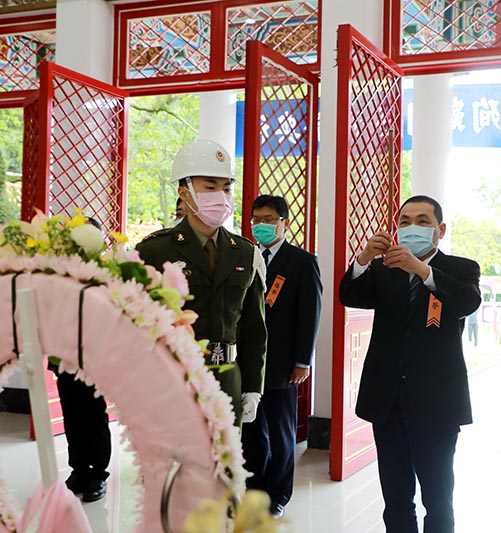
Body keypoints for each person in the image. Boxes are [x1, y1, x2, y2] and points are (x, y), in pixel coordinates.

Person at [339, 195, 481, 533]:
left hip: (436, 404)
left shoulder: (462, 269)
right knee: (396, 498)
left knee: (438, 499)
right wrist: (363, 258)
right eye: (404, 221)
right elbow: (350, 295)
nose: (411, 227)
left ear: (440, 229)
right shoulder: (384, 268)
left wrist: (421, 269)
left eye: (421, 221)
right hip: (387, 400)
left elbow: (465, 302)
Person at [136, 139, 267, 425]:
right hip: (172, 377)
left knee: (224, 466)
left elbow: (254, 327)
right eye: (210, 187)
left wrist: (253, 387)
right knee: (176, 464)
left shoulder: (245, 251)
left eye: (227, 188)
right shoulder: (155, 250)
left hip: (227, 376)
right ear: (185, 192)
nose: (221, 195)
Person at [241, 195, 322, 518]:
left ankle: (278, 494)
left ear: (284, 222)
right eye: (257, 219)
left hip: (283, 362)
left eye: (269, 219)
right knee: (251, 429)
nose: (262, 224)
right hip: (247, 361)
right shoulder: (244, 256)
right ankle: (253, 490)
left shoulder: (302, 261)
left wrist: (303, 360)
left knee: (281, 431)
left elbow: (309, 313)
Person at [56, 216, 111, 502]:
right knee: (72, 414)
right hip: (65, 356)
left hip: (95, 357)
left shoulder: (108, 272)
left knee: (94, 415)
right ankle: (78, 468)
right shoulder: (59, 273)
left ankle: (97, 474)